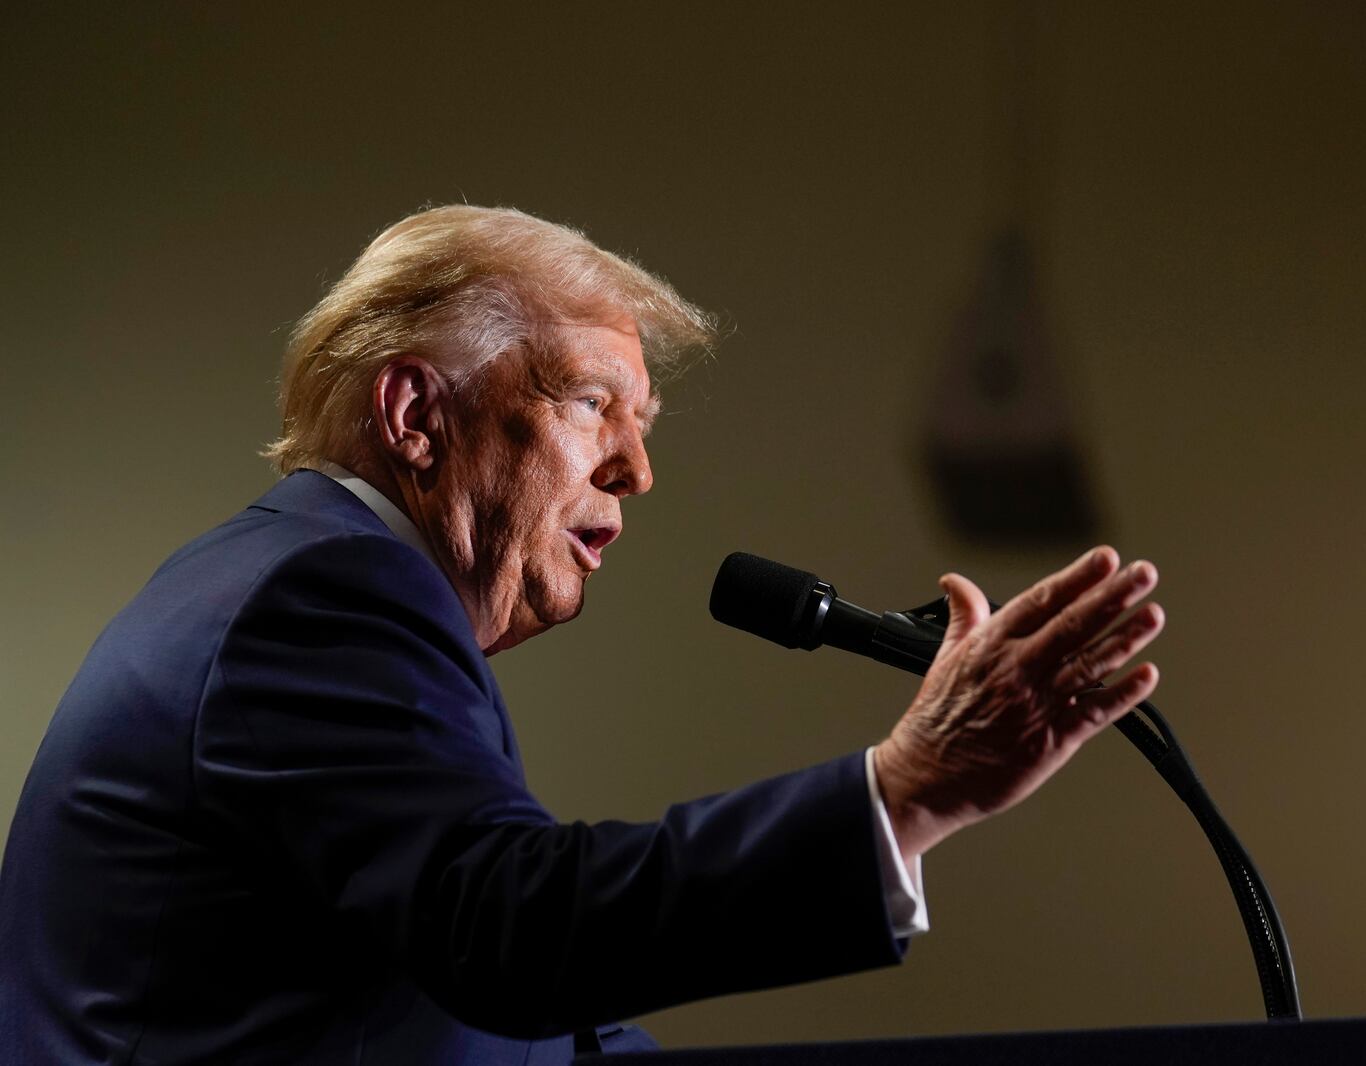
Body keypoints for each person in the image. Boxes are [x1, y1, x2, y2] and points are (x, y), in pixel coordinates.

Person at [0, 205, 1165, 1065]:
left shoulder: (290, 588)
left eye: (643, 422)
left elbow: (490, 1003)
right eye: (593, 402)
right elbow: (509, 928)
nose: (637, 468)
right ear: (415, 415)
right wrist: (901, 791)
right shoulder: (320, 597)